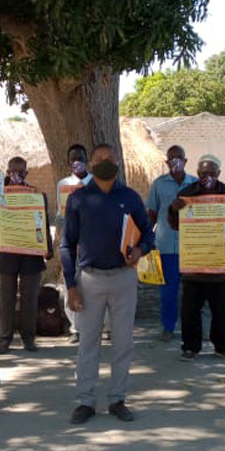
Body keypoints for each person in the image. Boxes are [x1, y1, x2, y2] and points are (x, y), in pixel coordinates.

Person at [62, 144, 155, 424]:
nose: (105, 162)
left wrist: (139, 251)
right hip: (89, 278)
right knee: (88, 343)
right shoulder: (78, 199)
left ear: (118, 163)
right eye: (100, 159)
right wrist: (71, 285)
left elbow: (148, 236)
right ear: (91, 163)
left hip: (123, 279)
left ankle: (117, 399)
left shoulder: (130, 197)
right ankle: (86, 401)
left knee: (123, 342)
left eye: (110, 159)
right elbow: (67, 244)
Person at [167, 154, 225, 360]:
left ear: (219, 174)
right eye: (204, 173)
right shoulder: (186, 194)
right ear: (198, 173)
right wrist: (174, 209)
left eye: (212, 172)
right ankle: (190, 347)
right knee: (190, 310)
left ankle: (222, 346)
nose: (208, 176)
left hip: (221, 266)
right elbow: (174, 224)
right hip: (194, 265)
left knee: (222, 310)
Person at [0, 156, 53, 354]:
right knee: (5, 299)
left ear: (27, 173)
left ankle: (29, 338)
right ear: (7, 173)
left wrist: (48, 247)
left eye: (21, 171)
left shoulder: (37, 194)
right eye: (13, 172)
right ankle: (4, 339)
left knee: (30, 299)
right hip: (8, 253)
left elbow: (43, 222)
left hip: (31, 254)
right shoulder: (0, 195)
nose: (17, 175)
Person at [146, 145, 197, 341]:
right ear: (166, 162)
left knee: (193, 291)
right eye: (171, 158)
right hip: (166, 245)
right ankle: (168, 327)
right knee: (168, 291)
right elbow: (151, 213)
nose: (175, 161)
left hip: (191, 246)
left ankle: (191, 328)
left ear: (185, 161)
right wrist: (147, 238)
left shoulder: (195, 183)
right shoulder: (158, 184)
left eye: (179, 158)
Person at [57, 144, 92, 343]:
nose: (76, 161)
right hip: (70, 242)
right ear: (68, 161)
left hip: (92, 243)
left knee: (95, 284)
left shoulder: (95, 182)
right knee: (69, 283)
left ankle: (104, 327)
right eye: (73, 158)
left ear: (86, 160)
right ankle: (75, 328)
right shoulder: (63, 185)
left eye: (80, 157)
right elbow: (59, 214)